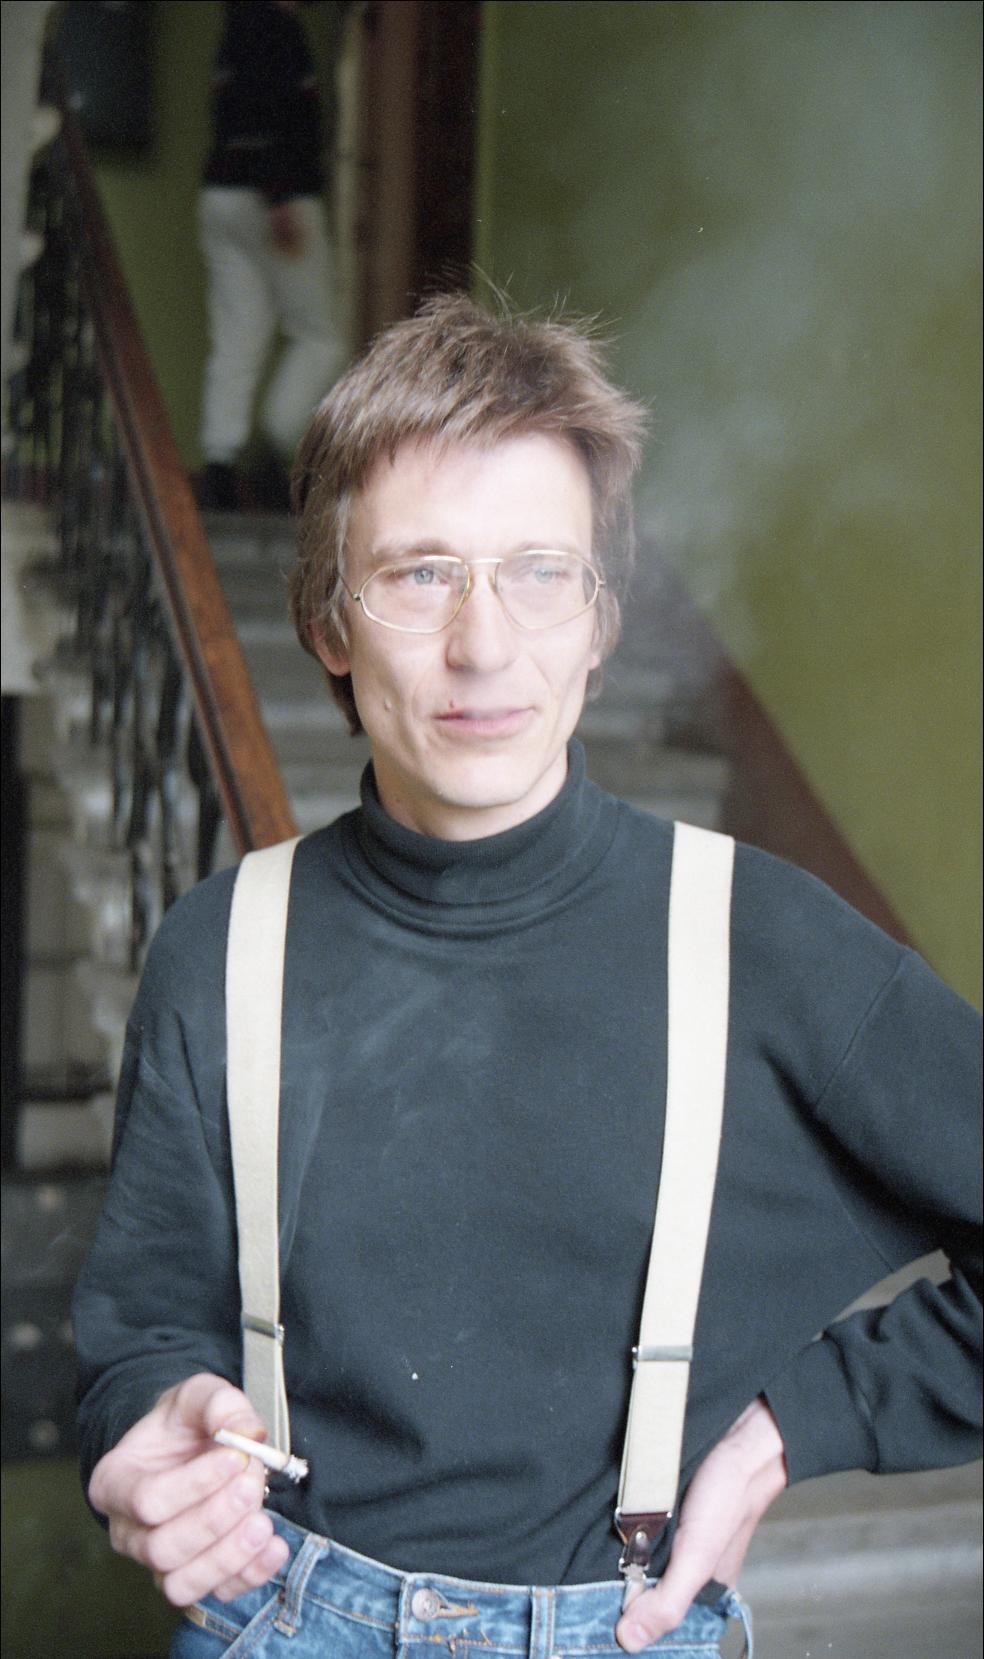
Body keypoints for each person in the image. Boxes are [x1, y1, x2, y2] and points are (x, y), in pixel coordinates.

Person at [73, 294, 981, 1658]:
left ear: (601, 620)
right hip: (273, 1615)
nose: (484, 644)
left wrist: (793, 1427)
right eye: (419, 574)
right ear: (328, 622)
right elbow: (141, 1329)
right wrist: (146, 1431)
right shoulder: (221, 947)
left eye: (541, 572)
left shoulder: (763, 940)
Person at [197, 0, 344, 512]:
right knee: (321, 335)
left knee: (238, 337)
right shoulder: (279, 30)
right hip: (277, 201)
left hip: (221, 196)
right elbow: (274, 115)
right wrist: (280, 194)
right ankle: (278, 447)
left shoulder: (234, 26)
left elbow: (232, 112)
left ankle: (219, 465)